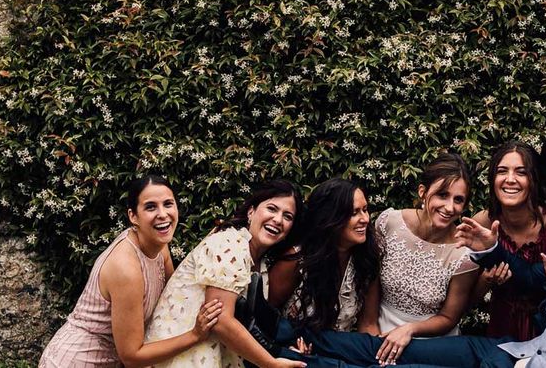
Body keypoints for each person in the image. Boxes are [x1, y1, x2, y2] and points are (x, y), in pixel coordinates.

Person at [304, 195, 546, 368]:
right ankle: (289, 338)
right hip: (507, 352)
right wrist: (491, 248)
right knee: (396, 349)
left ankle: (297, 364)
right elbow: (527, 278)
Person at [40, 175, 223, 368]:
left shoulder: (160, 246)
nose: (162, 214)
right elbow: (132, 356)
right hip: (74, 361)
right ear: (133, 216)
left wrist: (211, 253)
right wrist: (194, 335)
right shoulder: (126, 268)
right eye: (150, 207)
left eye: (168, 204)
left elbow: (175, 295)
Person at [144, 179, 308, 368]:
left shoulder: (259, 263)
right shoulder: (230, 244)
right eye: (272, 209)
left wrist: (285, 351)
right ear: (251, 211)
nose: (278, 220)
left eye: (287, 216)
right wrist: (270, 363)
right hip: (183, 357)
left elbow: (250, 327)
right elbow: (221, 322)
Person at [357, 153, 479, 364]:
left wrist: (409, 330)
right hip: (379, 328)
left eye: (458, 200)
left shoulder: (464, 254)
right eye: (442, 195)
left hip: (431, 344)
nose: (450, 207)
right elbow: (372, 278)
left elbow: (449, 318)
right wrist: (369, 326)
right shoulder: (389, 222)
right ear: (423, 192)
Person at [470, 142, 546, 340]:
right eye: (502, 171)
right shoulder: (482, 223)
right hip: (499, 329)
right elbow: (466, 301)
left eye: (521, 172)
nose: (510, 180)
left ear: (535, 179)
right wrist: (486, 280)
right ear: (493, 178)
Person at [268, 178, 380, 333]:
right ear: (331, 218)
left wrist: (376, 355)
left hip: (342, 350)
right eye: (354, 213)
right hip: (294, 350)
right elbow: (265, 315)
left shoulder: (367, 259)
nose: (365, 219)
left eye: (365, 209)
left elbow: (368, 324)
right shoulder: (297, 260)